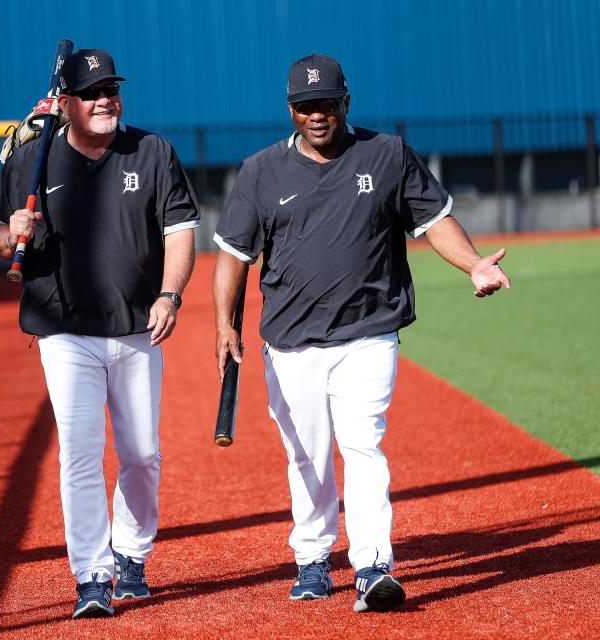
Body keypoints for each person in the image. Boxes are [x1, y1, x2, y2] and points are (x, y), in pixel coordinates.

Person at [212, 53, 511, 613]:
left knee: (362, 444)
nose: (316, 115)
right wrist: (225, 324)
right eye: (305, 107)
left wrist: (472, 264)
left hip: (368, 333)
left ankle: (373, 565)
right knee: (309, 455)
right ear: (290, 110)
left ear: (346, 102)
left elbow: (434, 220)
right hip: (290, 341)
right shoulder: (260, 172)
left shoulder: (388, 154)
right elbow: (232, 256)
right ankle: (312, 557)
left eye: (326, 104)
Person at [0, 48, 199, 619]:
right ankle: (93, 575)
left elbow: (179, 232)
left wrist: (170, 294)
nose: (106, 99)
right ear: (68, 103)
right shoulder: (33, 157)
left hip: (134, 327)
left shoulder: (151, 151)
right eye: (92, 92)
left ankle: (130, 553)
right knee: (81, 453)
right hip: (63, 327)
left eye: (111, 89)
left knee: (142, 453)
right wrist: (12, 233)